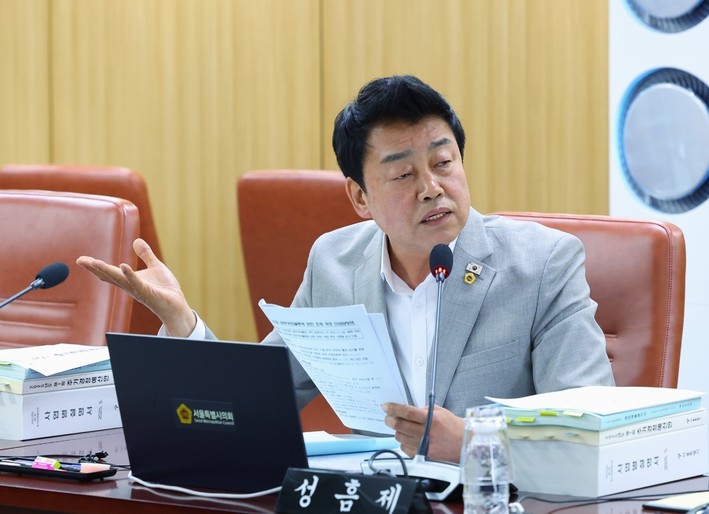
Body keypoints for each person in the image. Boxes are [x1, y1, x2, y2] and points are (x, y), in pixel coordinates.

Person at [77, 75, 614, 465]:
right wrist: (182, 321)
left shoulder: (543, 263)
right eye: (403, 175)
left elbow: (593, 431)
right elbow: (256, 401)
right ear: (360, 198)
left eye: (443, 162)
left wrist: (475, 443)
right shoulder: (334, 263)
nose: (432, 188)